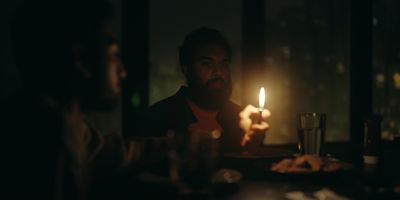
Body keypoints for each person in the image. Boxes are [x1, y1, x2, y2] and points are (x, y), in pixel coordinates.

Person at [2, 1, 134, 199]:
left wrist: (179, 143)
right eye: (114, 55)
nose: (123, 72)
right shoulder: (49, 135)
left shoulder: (60, 122)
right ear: (81, 60)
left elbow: (108, 151)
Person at [144, 27, 271, 154]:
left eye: (224, 65)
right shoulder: (158, 117)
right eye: (207, 64)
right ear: (186, 69)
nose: (218, 72)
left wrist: (250, 146)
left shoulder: (239, 119)